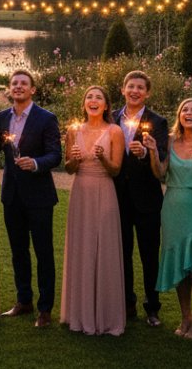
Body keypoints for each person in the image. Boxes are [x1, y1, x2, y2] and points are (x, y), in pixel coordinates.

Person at [144, 97, 192, 339]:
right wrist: (151, 153)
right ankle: (185, 317)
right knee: (180, 264)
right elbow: (160, 173)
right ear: (179, 115)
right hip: (173, 207)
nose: (188, 113)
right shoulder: (169, 141)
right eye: (184, 110)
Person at [0, 69, 61, 328]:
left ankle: (45, 308)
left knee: (43, 252)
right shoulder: (2, 118)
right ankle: (24, 300)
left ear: (33, 89)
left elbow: (55, 155)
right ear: (10, 89)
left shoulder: (46, 118)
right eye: (15, 83)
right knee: (18, 250)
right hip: (12, 194)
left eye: (24, 83)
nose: (19, 87)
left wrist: (34, 163)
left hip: (40, 196)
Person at [60, 85, 126, 336]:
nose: (93, 100)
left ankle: (105, 314)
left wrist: (103, 158)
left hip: (104, 192)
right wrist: (74, 159)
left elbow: (116, 170)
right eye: (89, 97)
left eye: (98, 97)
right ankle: (79, 312)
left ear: (107, 105)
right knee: (82, 248)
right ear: (84, 103)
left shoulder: (114, 131)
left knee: (103, 248)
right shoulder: (73, 130)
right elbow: (68, 168)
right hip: (80, 193)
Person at [113, 70, 169, 326]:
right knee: (122, 252)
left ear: (147, 93)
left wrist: (146, 155)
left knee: (149, 254)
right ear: (123, 89)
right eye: (130, 86)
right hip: (117, 197)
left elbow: (163, 158)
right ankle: (127, 303)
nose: (135, 91)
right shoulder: (111, 117)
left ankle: (153, 307)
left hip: (147, 198)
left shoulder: (157, 121)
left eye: (140, 88)